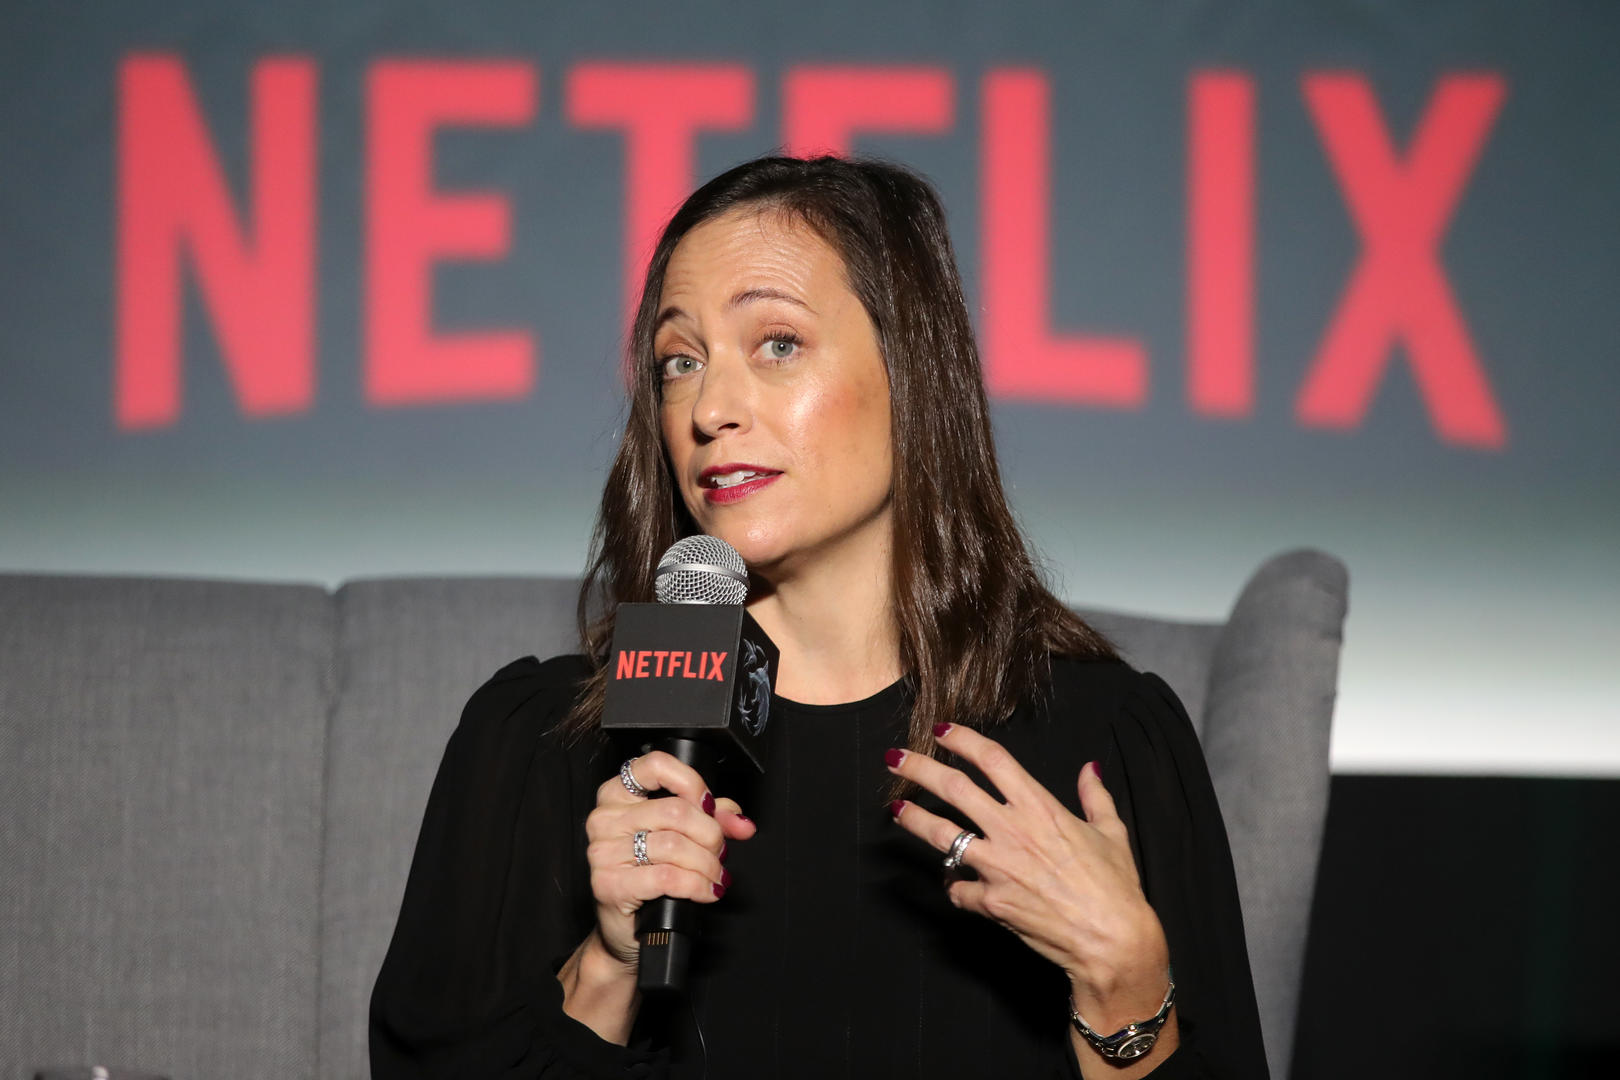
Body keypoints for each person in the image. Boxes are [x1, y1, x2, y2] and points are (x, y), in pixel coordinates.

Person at [370, 155, 1269, 1080]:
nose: (710, 408)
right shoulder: (540, 745)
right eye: (681, 362)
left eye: (777, 344)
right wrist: (608, 964)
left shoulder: (1105, 742)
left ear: (912, 374)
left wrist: (1125, 983)